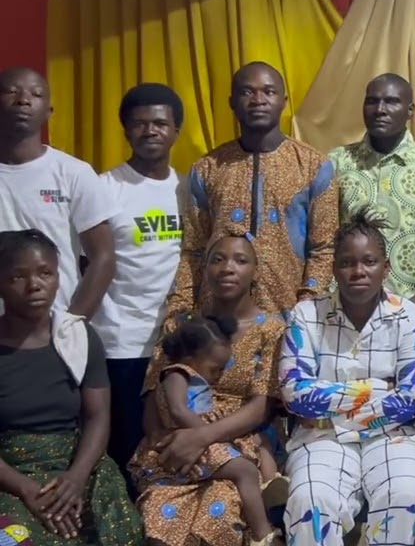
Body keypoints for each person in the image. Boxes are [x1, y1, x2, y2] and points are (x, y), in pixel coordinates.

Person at [280, 213, 415, 546]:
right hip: (320, 437)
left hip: (395, 436)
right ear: (334, 268)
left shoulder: (409, 316)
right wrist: (381, 388)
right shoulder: (306, 315)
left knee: (406, 493)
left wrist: (329, 400)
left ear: (386, 267)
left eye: (369, 261)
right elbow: (294, 394)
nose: (358, 271)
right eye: (347, 262)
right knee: (311, 499)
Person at [132, 234, 286, 546]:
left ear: (256, 270)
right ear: (204, 269)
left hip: (234, 442)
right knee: (159, 516)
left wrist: (202, 437)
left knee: (219, 513)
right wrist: (170, 443)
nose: (228, 268)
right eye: (217, 259)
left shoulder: (271, 329)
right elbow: (153, 395)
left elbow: (260, 407)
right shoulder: (181, 326)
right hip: (174, 443)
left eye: (240, 260)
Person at [164, 61, 339, 322]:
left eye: (269, 91)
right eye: (247, 92)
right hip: (217, 322)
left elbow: (324, 248)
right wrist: (180, 310)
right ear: (232, 102)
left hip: (289, 318)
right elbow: (195, 249)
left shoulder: (314, 166)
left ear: (284, 102)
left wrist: (306, 310)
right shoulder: (208, 168)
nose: (258, 100)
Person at [0, 229, 143, 545]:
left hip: (76, 466)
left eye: (45, 273)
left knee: (121, 532)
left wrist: (76, 479)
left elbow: (97, 417)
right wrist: (27, 490)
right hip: (10, 477)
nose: (34, 285)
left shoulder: (78, 337)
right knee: (13, 539)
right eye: (17, 277)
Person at [97, 83, 187, 480]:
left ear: (175, 130)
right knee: (126, 446)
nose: (150, 131)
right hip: (122, 341)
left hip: (178, 341)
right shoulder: (103, 188)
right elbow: (87, 263)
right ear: (126, 130)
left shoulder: (188, 188)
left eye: (160, 123)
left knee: (171, 444)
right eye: (140, 123)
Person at [141, 314, 279, 546]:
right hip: (183, 440)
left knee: (259, 444)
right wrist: (206, 435)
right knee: (245, 470)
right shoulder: (176, 374)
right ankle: (263, 533)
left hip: (200, 438)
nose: (218, 376)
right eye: (215, 369)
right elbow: (178, 410)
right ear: (190, 359)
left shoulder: (190, 376)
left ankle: (270, 484)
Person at [0, 67, 116, 318]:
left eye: (36, 94)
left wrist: (72, 323)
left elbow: (103, 257)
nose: (23, 100)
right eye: (11, 91)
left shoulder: (74, 173)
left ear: (49, 111)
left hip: (55, 323)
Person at [330, 73, 415, 301]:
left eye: (391, 101)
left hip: (414, 302)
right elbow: (324, 237)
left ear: (410, 111)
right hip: (347, 302)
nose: (380, 110)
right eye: (372, 101)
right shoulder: (338, 162)